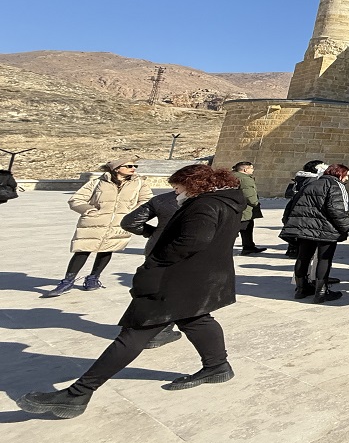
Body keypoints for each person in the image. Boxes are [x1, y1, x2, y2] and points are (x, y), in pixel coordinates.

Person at [18, 165, 247, 419]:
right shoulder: (227, 201)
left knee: (135, 333)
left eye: (178, 186)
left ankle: (77, 394)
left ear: (194, 183)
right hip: (202, 278)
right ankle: (217, 366)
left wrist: (157, 259)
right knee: (196, 318)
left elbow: (193, 241)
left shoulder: (203, 205)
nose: (176, 191)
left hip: (176, 280)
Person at [45, 159, 153, 297]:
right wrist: (89, 211)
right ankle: (67, 281)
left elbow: (147, 201)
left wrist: (131, 214)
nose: (133, 168)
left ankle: (93, 278)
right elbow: (76, 199)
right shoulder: (97, 182)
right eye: (129, 166)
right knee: (82, 250)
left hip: (119, 222)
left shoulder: (139, 183)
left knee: (107, 250)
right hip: (94, 222)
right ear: (116, 168)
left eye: (135, 166)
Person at [119, 189, 183, 349]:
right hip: (183, 250)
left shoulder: (161, 199)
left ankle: (136, 327)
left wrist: (153, 233)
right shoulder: (203, 201)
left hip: (156, 247)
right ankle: (159, 330)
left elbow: (129, 222)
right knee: (177, 291)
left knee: (152, 288)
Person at [281, 164, 349, 303]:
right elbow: (338, 209)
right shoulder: (336, 186)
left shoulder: (310, 184)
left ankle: (301, 289)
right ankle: (321, 292)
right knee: (324, 259)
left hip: (305, 227)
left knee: (303, 257)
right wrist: (345, 227)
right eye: (346, 175)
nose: (347, 178)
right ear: (339, 174)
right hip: (326, 229)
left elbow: (294, 204)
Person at [282, 160, 326, 258]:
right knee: (302, 229)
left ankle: (292, 250)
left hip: (295, 205)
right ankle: (298, 252)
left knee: (296, 227)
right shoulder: (313, 179)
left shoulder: (302, 177)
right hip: (304, 207)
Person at [231, 161, 266, 255]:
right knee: (244, 227)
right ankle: (247, 246)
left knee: (244, 226)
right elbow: (249, 193)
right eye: (251, 168)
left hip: (234, 205)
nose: (253, 170)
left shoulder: (232, 176)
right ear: (245, 169)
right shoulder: (245, 179)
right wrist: (255, 203)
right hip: (244, 207)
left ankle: (249, 246)